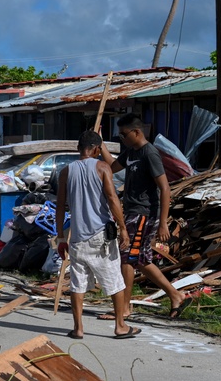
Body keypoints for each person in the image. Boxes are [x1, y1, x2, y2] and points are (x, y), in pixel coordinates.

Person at [100, 114, 188, 318]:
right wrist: (101, 144)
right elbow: (111, 167)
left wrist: (163, 223)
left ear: (137, 132)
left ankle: (124, 308)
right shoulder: (131, 152)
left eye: (124, 134)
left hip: (143, 213)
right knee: (140, 260)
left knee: (127, 259)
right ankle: (176, 295)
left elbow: (165, 188)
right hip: (132, 211)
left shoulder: (150, 153)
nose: (122, 138)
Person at [56, 130, 137, 339]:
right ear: (96, 149)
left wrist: (60, 238)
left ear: (78, 149)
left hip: (77, 239)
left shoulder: (66, 171)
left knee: (78, 283)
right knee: (114, 281)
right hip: (100, 235)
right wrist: (123, 229)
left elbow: (59, 207)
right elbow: (112, 198)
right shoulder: (102, 168)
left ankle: (78, 328)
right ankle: (120, 326)